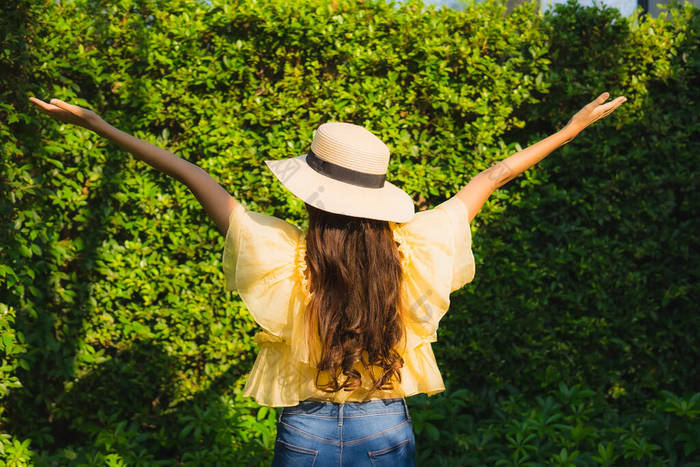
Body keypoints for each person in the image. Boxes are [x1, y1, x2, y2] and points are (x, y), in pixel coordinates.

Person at [30, 92, 626, 465]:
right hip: (386, 428)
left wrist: (100, 125)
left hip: (306, 434)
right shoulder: (413, 249)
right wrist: (570, 129)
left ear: (314, 195)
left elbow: (195, 177)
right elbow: (492, 175)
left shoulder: (284, 254)